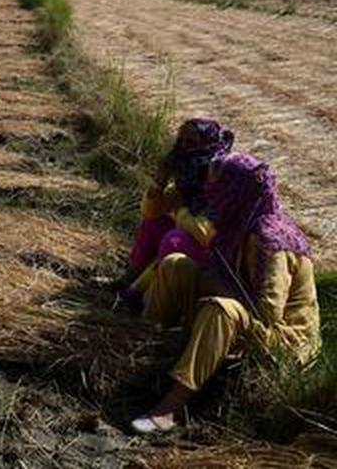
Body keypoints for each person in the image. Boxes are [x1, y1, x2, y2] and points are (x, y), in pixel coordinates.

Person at [131, 153, 322, 434]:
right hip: (244, 309)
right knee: (176, 265)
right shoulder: (236, 223)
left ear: (235, 191)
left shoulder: (271, 241)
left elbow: (267, 313)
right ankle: (144, 347)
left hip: (283, 339)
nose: (211, 194)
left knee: (222, 309)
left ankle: (173, 406)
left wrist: (219, 287)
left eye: (218, 189)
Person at [117, 119, 234, 311]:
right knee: (153, 224)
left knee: (175, 239)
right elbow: (150, 211)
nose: (183, 148)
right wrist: (158, 184)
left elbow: (206, 234)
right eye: (181, 141)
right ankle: (129, 278)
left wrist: (180, 212)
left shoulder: (219, 178)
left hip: (219, 254)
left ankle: (146, 299)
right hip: (193, 235)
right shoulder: (187, 179)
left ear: (208, 145)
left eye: (191, 143)